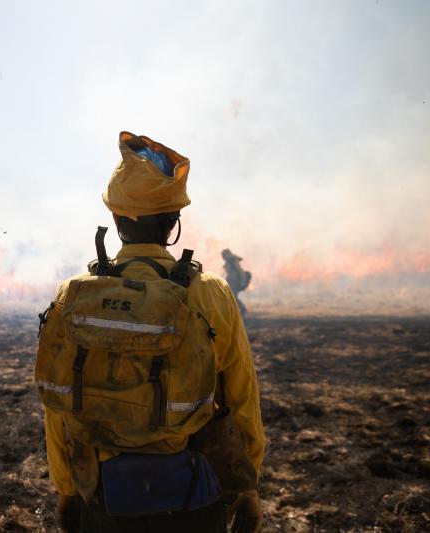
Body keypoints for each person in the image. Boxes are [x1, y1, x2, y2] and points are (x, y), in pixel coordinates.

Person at [36, 132, 266, 533]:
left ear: (116, 220)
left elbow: (59, 409)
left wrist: (67, 491)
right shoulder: (210, 293)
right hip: (195, 496)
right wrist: (247, 488)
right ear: (174, 222)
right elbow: (241, 398)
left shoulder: (74, 295)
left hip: (106, 498)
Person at [222, 249, 252, 318]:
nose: (222, 257)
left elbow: (240, 270)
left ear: (226, 254)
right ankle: (233, 311)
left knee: (233, 297)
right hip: (230, 281)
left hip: (234, 282)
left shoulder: (233, 260)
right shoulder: (228, 261)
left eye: (223, 255)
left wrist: (243, 281)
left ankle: (243, 309)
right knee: (230, 296)